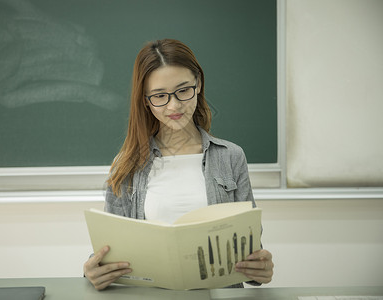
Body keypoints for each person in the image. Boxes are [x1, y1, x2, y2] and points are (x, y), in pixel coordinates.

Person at [83, 38, 274, 290]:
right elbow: (109, 253)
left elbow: (249, 253)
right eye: (160, 96)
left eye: (183, 90)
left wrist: (259, 269)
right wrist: (93, 271)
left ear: (199, 84)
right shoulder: (126, 165)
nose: (174, 105)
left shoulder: (231, 157)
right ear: (145, 100)